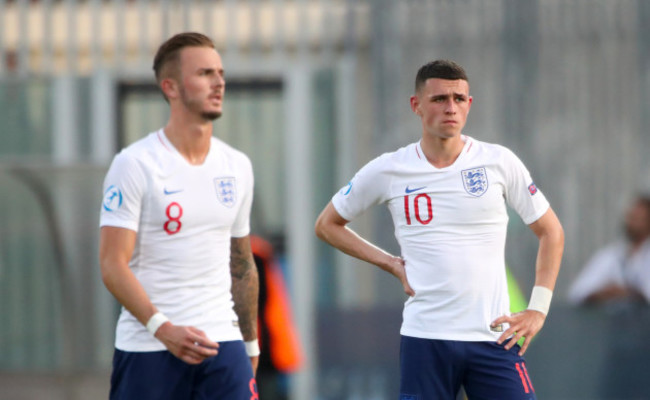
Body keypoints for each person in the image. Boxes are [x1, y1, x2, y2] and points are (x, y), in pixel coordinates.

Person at [315, 60, 565, 400]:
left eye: (459, 99)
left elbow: (551, 231)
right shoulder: (390, 169)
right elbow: (327, 225)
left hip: (493, 337)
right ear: (416, 105)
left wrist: (537, 309)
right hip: (426, 337)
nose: (451, 108)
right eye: (440, 99)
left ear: (470, 105)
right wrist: (389, 262)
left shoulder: (498, 162)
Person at [99, 32, 259, 399]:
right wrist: (163, 328)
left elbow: (241, 263)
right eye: (204, 73)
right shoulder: (135, 164)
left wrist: (249, 345)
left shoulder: (237, 166)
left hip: (223, 345)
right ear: (170, 87)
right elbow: (111, 263)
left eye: (220, 72)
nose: (218, 82)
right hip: (150, 349)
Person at [568, 194, 650, 306]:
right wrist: (604, 293)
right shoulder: (610, 255)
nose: (632, 223)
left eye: (639, 219)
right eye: (631, 217)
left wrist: (628, 293)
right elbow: (577, 293)